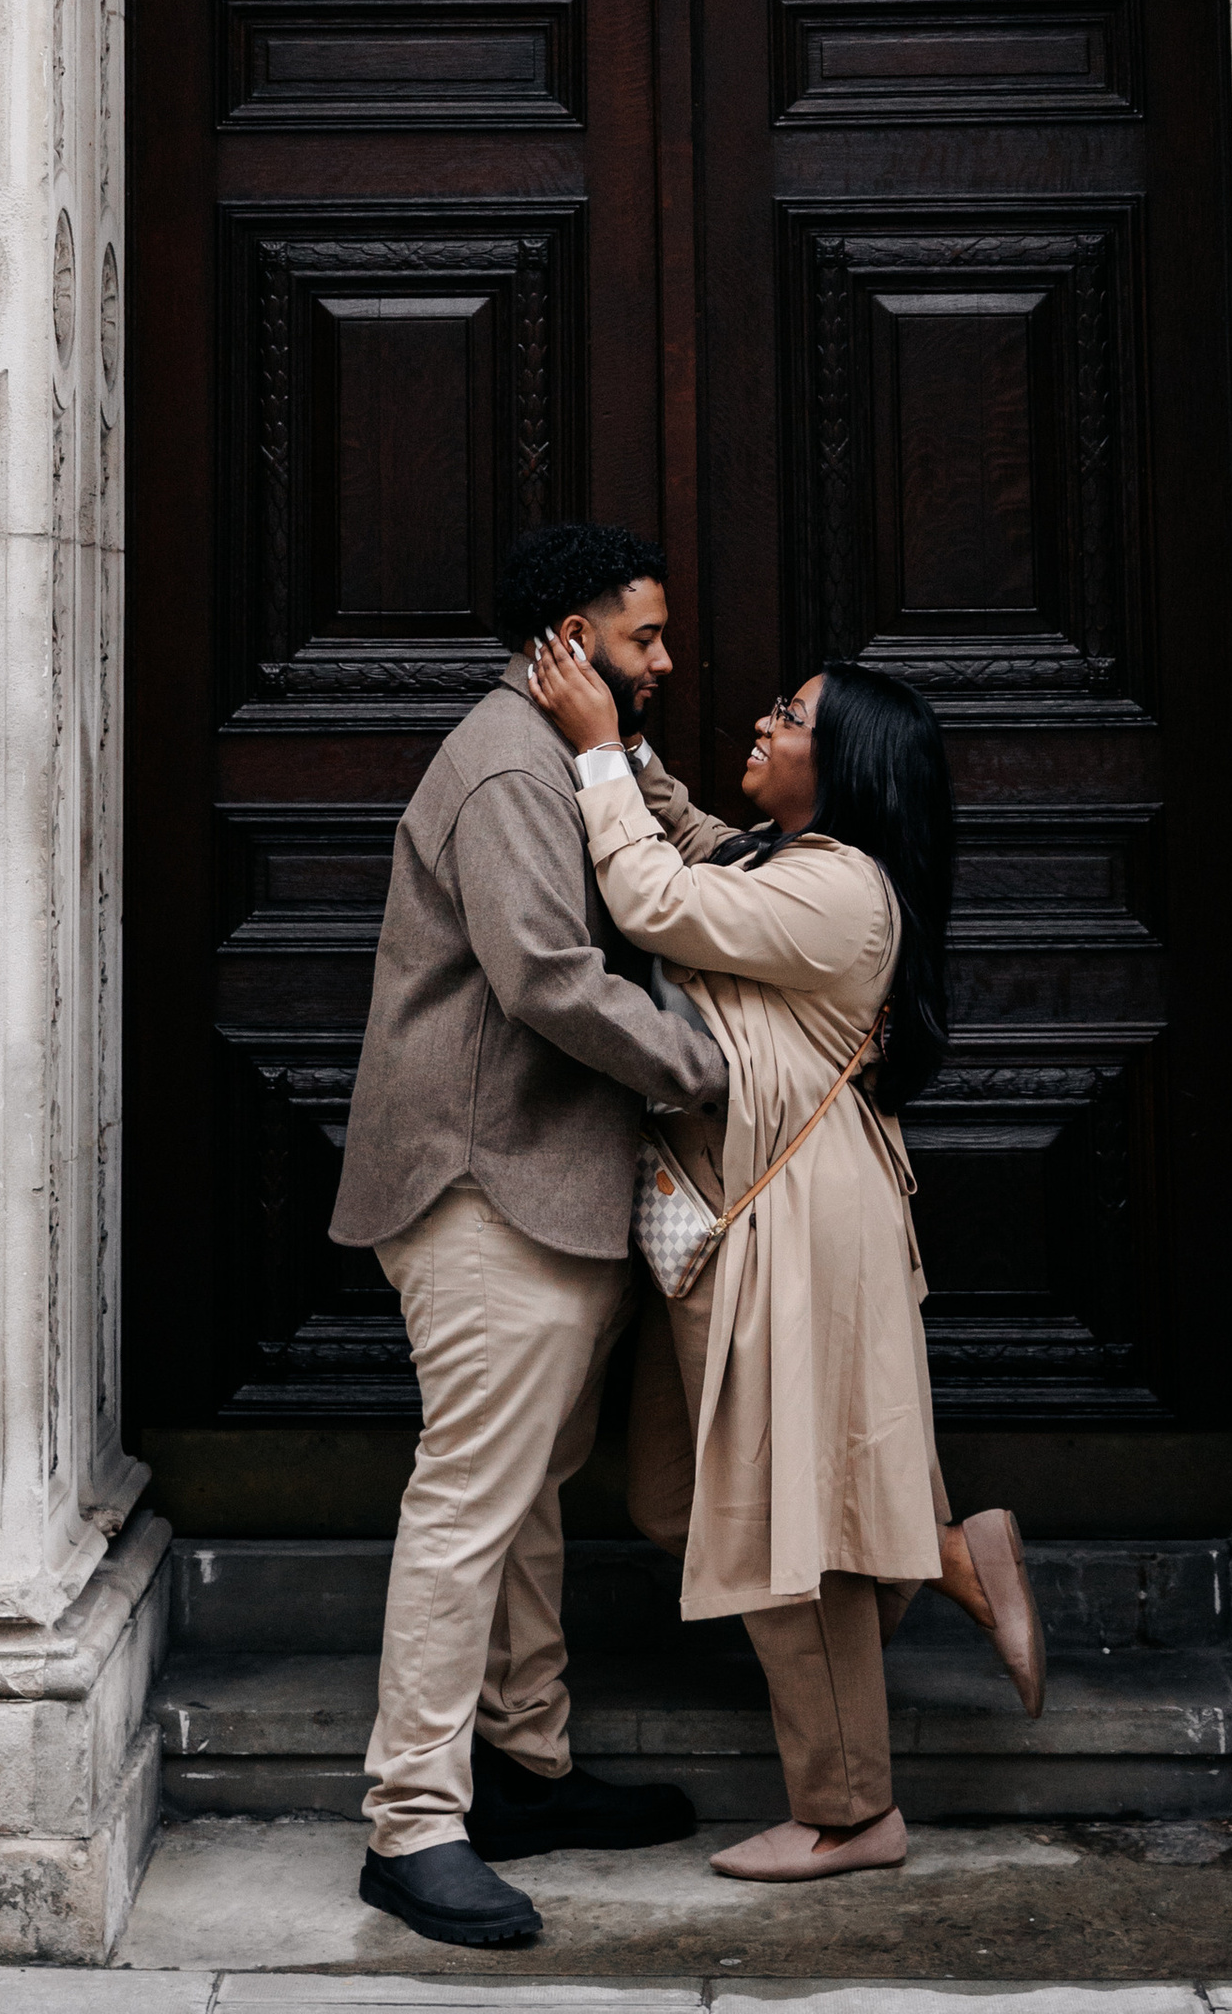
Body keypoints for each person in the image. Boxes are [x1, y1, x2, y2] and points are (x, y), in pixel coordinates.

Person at [525, 638, 1046, 1882]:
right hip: (733, 1228)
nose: (760, 721)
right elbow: (694, 842)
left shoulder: (844, 889)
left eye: (791, 714)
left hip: (787, 1229)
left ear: (847, 762)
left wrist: (594, 747)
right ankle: (937, 1549)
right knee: (673, 1497)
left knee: (775, 1525)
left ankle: (850, 1809)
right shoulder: (785, 863)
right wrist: (632, 746)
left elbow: (655, 898)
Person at [329, 522, 726, 1951]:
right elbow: (550, 978)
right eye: (643, 639)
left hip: (549, 1181)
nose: (668, 662)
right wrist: (705, 1066)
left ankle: (525, 1769)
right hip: (485, 1183)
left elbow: (687, 844)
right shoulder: (505, 763)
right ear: (567, 641)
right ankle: (413, 1825)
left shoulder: (572, 745)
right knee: (471, 1503)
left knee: (533, 1496)